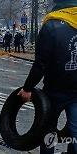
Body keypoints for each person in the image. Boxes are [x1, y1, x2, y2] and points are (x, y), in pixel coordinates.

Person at [17, 0, 77, 153]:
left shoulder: (51, 25)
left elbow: (41, 63)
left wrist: (27, 88)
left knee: (48, 131)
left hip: (55, 90)